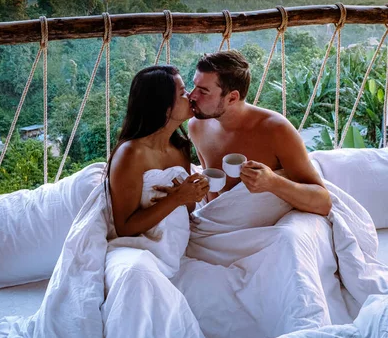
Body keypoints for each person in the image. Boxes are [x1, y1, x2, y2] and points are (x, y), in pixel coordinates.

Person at [188, 50, 332, 216]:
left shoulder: (276, 130)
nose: (192, 96)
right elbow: (213, 193)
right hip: (229, 222)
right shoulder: (197, 126)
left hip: (276, 220)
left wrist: (272, 182)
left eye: (203, 91)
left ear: (232, 98)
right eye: (194, 86)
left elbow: (323, 203)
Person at [107, 65, 209, 237]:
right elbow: (124, 228)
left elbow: (188, 207)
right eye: (183, 93)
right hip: (138, 244)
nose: (190, 96)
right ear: (165, 107)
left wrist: (195, 192)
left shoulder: (181, 146)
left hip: (175, 238)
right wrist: (175, 198)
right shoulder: (131, 154)